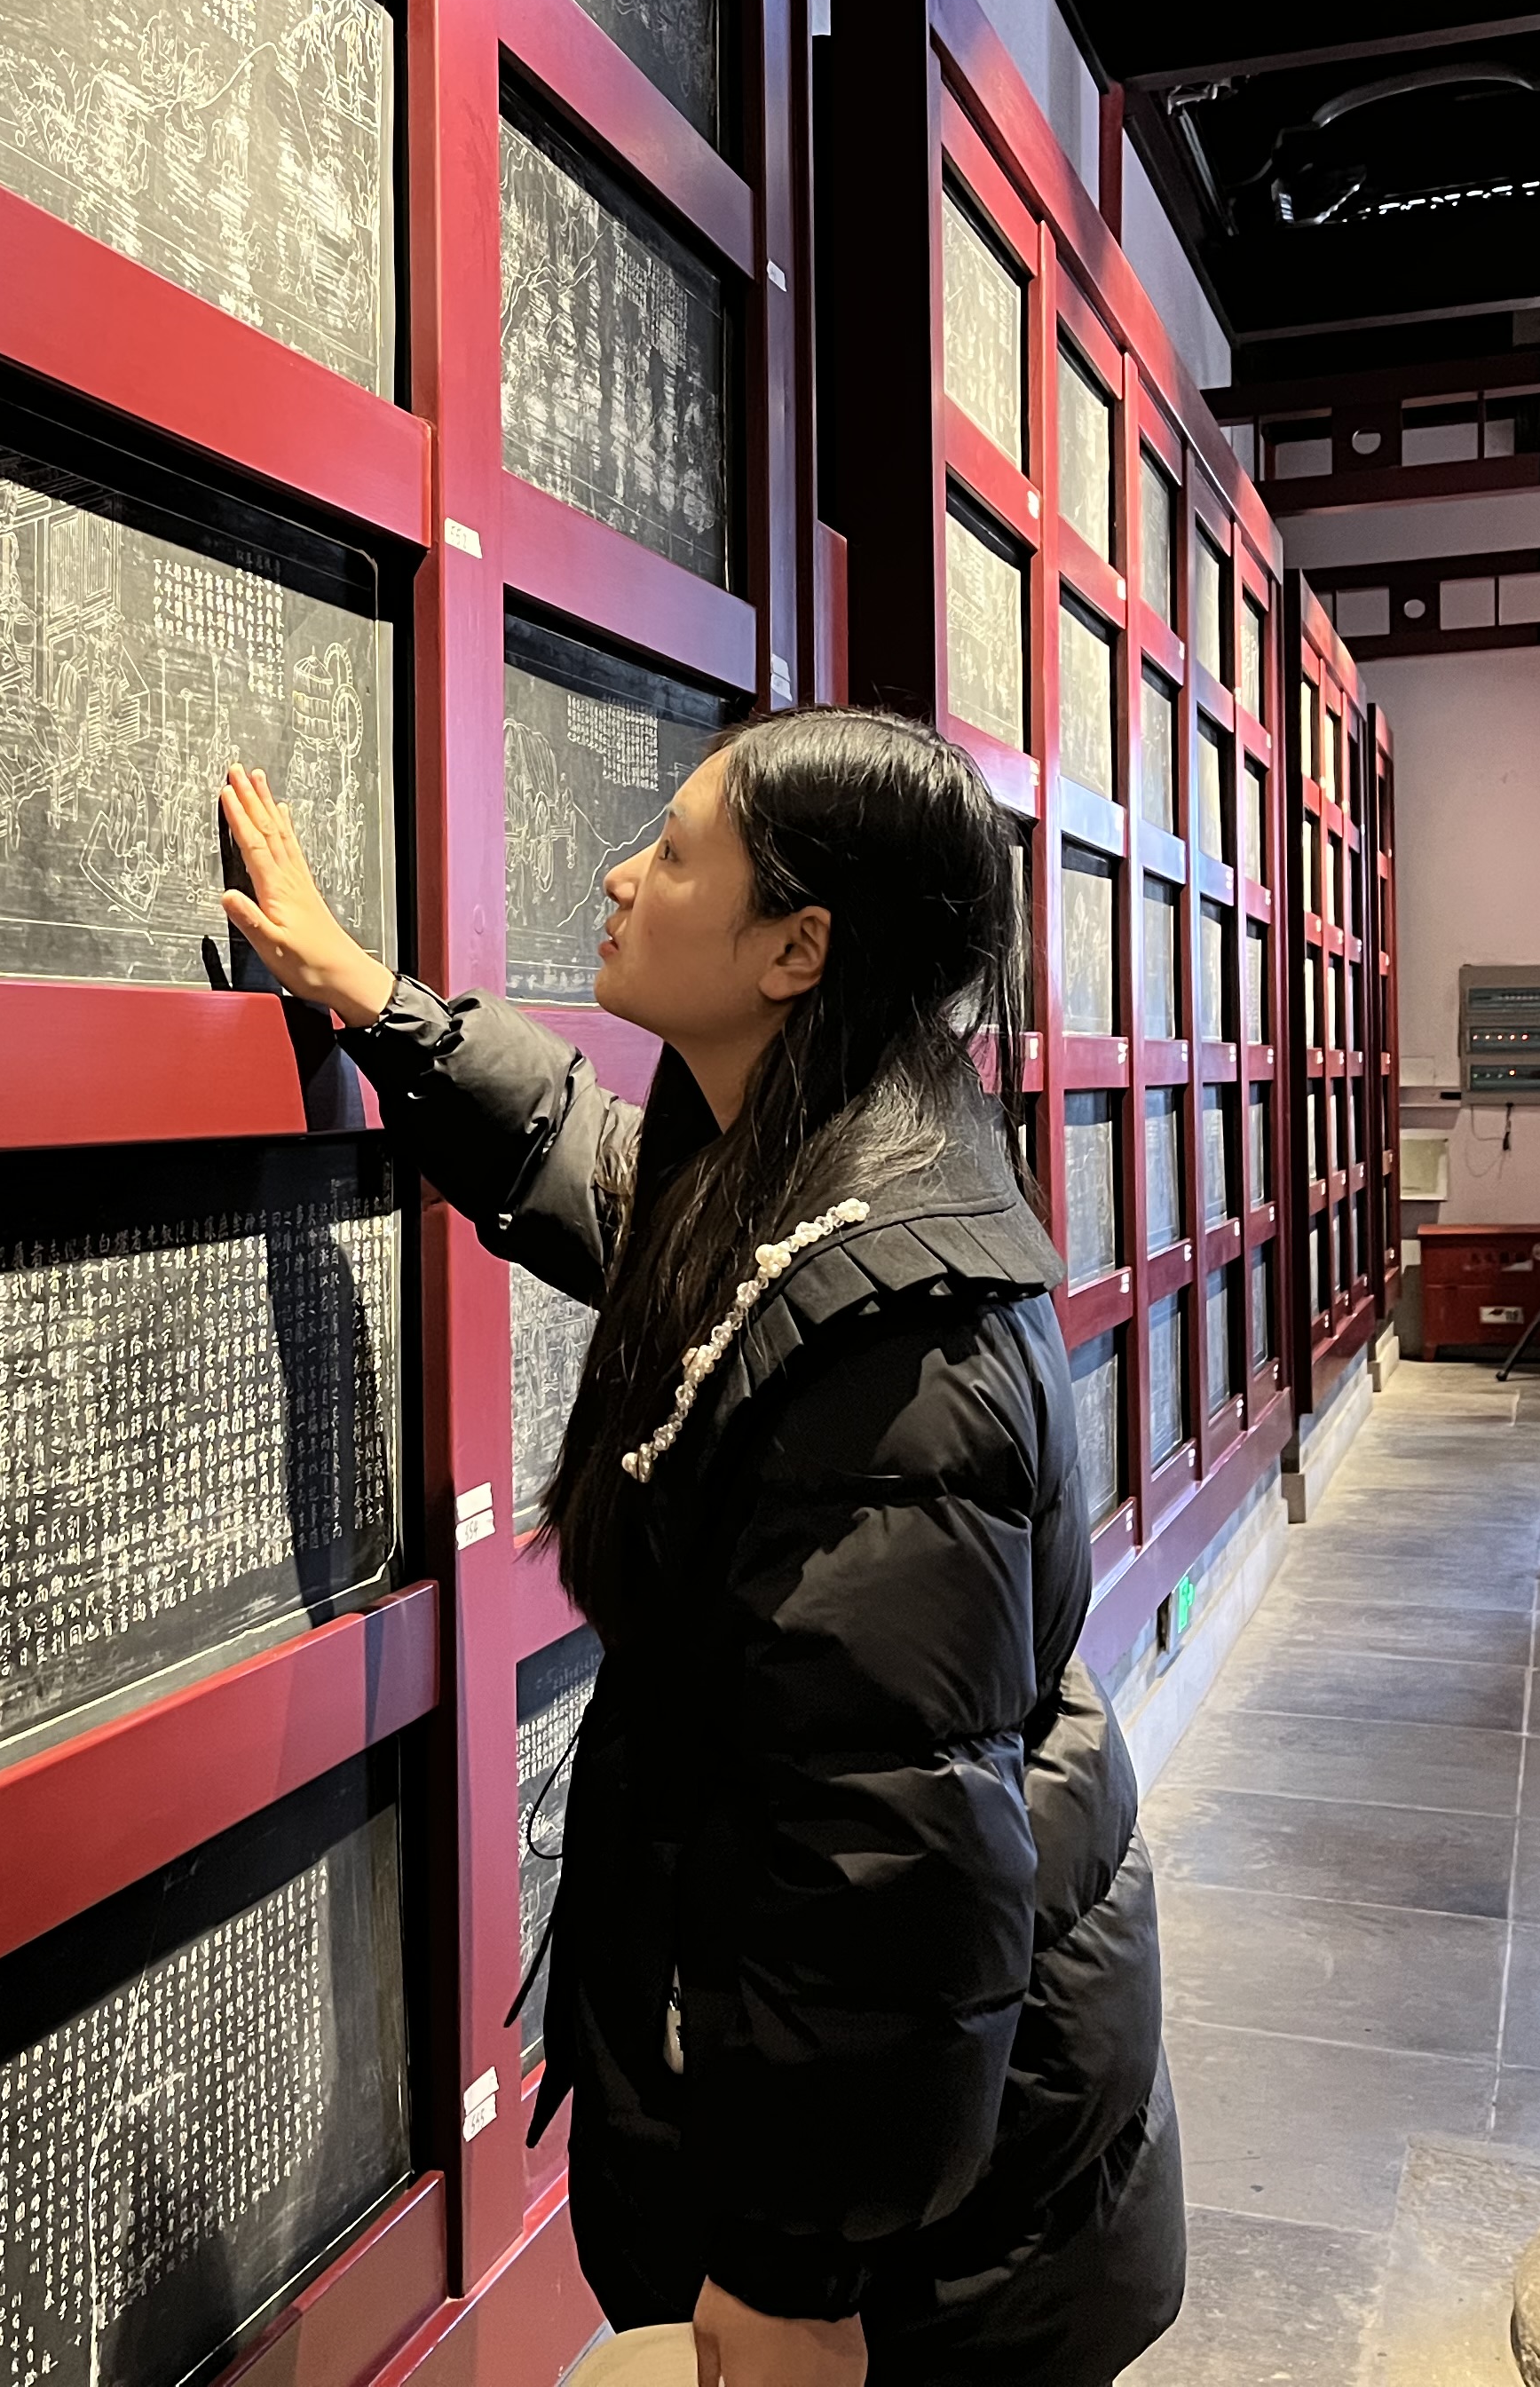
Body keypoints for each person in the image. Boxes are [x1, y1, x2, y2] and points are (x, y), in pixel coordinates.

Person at [217, 708, 1181, 2387]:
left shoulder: (895, 1362)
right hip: (919, 2165)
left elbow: (891, 1863)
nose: (618, 877)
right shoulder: (814, 1161)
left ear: (796, 948)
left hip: (924, 2264)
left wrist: (797, 2276)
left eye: (672, 856)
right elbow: (604, 1178)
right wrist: (376, 1003)